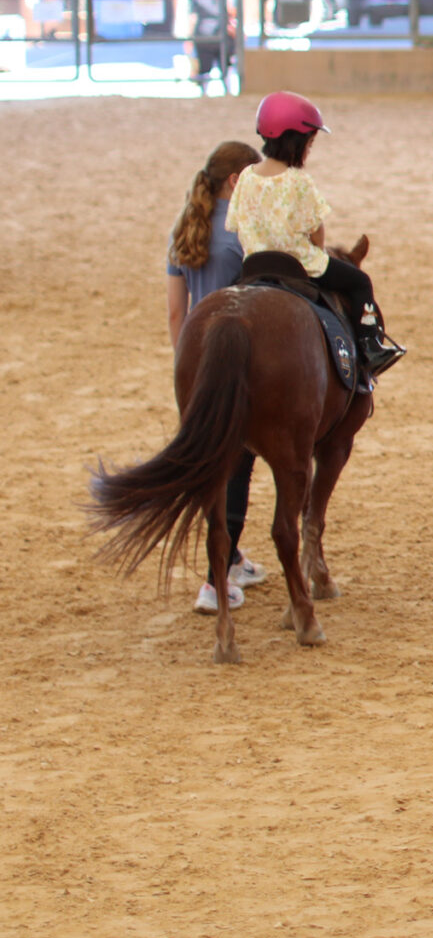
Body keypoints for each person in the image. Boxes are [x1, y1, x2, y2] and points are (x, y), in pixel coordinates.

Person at [229, 91, 405, 376]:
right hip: (299, 265)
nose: (309, 151)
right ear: (296, 145)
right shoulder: (299, 181)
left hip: (255, 264)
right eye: (310, 144)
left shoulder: (247, 175)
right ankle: (370, 346)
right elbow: (316, 233)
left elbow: (236, 223)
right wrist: (315, 248)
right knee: (360, 282)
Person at [168, 140, 265, 615]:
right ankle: (215, 581)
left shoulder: (186, 229)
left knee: (211, 464)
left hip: (193, 363)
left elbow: (175, 314)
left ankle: (236, 559)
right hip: (233, 362)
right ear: (235, 181)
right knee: (237, 469)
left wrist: (185, 369)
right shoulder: (240, 235)